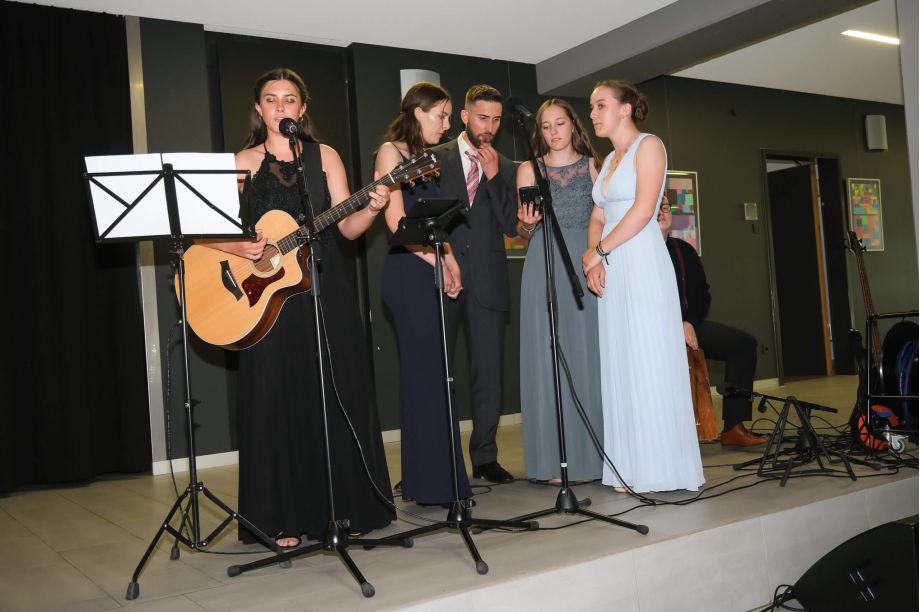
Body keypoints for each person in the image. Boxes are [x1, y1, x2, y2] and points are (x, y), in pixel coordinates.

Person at [204, 68, 395, 548]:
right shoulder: (241, 162)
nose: (280, 107)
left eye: (289, 99)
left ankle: (345, 506)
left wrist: (373, 208)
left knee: (338, 390)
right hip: (264, 298)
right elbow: (207, 232)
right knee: (276, 398)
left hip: (325, 285)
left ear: (302, 109)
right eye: (270, 99)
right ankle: (282, 517)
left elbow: (347, 227)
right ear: (259, 108)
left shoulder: (324, 156)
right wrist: (240, 247)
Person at [582, 80, 704, 492]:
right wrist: (593, 256)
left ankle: (659, 467)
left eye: (601, 105)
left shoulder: (649, 146)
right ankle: (630, 466)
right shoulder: (608, 160)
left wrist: (599, 251)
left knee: (648, 360)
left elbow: (643, 210)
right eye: (592, 107)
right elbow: (598, 215)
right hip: (613, 265)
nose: (593, 114)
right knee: (621, 363)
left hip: (642, 262)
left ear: (626, 109)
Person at [376, 82, 473, 505]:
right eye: (442, 115)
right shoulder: (390, 153)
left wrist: (450, 260)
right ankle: (435, 484)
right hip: (407, 274)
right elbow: (396, 222)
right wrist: (438, 261)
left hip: (430, 265)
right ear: (418, 112)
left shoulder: (429, 158)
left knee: (440, 375)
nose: (447, 124)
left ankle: (431, 480)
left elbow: (436, 223)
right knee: (425, 376)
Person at [433, 84, 519, 484]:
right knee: (436, 372)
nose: (489, 127)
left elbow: (511, 225)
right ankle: (435, 460)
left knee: (488, 374)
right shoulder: (435, 158)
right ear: (465, 116)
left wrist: (495, 176)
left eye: (496, 120)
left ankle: (485, 457)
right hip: (441, 277)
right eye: (482, 118)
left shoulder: (507, 166)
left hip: (489, 282)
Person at [516, 99, 604, 484]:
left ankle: (596, 456)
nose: (553, 132)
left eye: (560, 123)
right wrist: (525, 224)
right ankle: (554, 459)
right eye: (546, 126)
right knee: (547, 355)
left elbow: (604, 218)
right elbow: (523, 232)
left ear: (573, 125)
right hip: (543, 261)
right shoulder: (528, 169)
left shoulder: (594, 165)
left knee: (588, 352)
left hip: (585, 261)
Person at [657, 195, 767, 447]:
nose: (662, 213)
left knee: (743, 345)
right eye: (655, 209)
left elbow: (701, 296)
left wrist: (688, 323)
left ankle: (734, 427)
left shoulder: (683, 250)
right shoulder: (635, 252)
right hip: (652, 329)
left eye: (665, 207)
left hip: (687, 325)